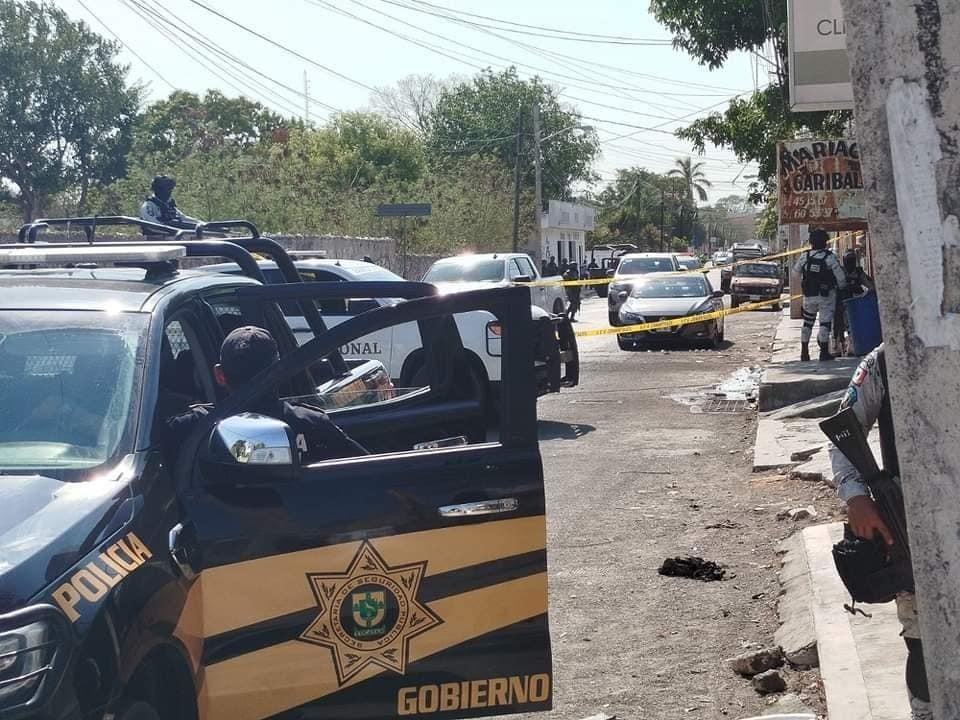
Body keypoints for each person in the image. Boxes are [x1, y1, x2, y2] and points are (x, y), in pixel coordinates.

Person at [829, 344, 930, 719]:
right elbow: (842, 429)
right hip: (913, 526)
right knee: (923, 642)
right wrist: (856, 498)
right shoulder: (885, 361)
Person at [162, 326, 367, 466]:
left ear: (220, 375)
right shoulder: (312, 424)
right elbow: (363, 470)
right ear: (281, 373)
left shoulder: (188, 429)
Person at [793, 228, 848, 361]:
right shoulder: (829, 257)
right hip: (826, 295)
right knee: (825, 323)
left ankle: (804, 352)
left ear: (811, 242)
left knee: (807, 323)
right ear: (825, 242)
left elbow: (795, 274)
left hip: (809, 295)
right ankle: (824, 352)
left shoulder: (804, 256)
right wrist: (841, 289)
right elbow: (841, 278)